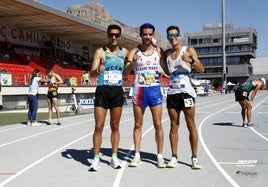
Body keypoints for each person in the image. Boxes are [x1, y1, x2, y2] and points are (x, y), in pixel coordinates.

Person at [124, 23, 169, 168]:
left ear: (153, 35)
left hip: (154, 89)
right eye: (145, 34)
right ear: (140, 35)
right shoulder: (133, 51)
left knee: (158, 124)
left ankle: (160, 157)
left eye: (150, 34)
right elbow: (125, 73)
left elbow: (167, 69)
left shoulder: (158, 51)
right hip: (139, 90)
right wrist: (133, 62)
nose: (147, 37)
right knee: (138, 124)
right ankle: (137, 156)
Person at [88, 24, 129, 171]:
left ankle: (114, 157)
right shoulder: (100, 51)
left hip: (117, 90)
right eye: (111, 34)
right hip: (103, 90)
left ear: (120, 37)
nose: (114, 37)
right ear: (107, 35)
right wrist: (97, 70)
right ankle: (96, 159)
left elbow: (127, 71)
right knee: (99, 126)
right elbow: (91, 73)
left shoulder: (124, 52)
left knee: (115, 126)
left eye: (116, 35)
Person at [164, 25, 204, 169]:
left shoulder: (188, 50)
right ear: (168, 38)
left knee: (190, 124)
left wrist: (191, 60)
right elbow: (163, 67)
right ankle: (174, 157)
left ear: (179, 36)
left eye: (175, 35)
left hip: (187, 93)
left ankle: (194, 158)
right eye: (170, 35)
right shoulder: (167, 53)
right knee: (173, 125)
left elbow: (201, 68)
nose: (173, 38)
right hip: (172, 93)